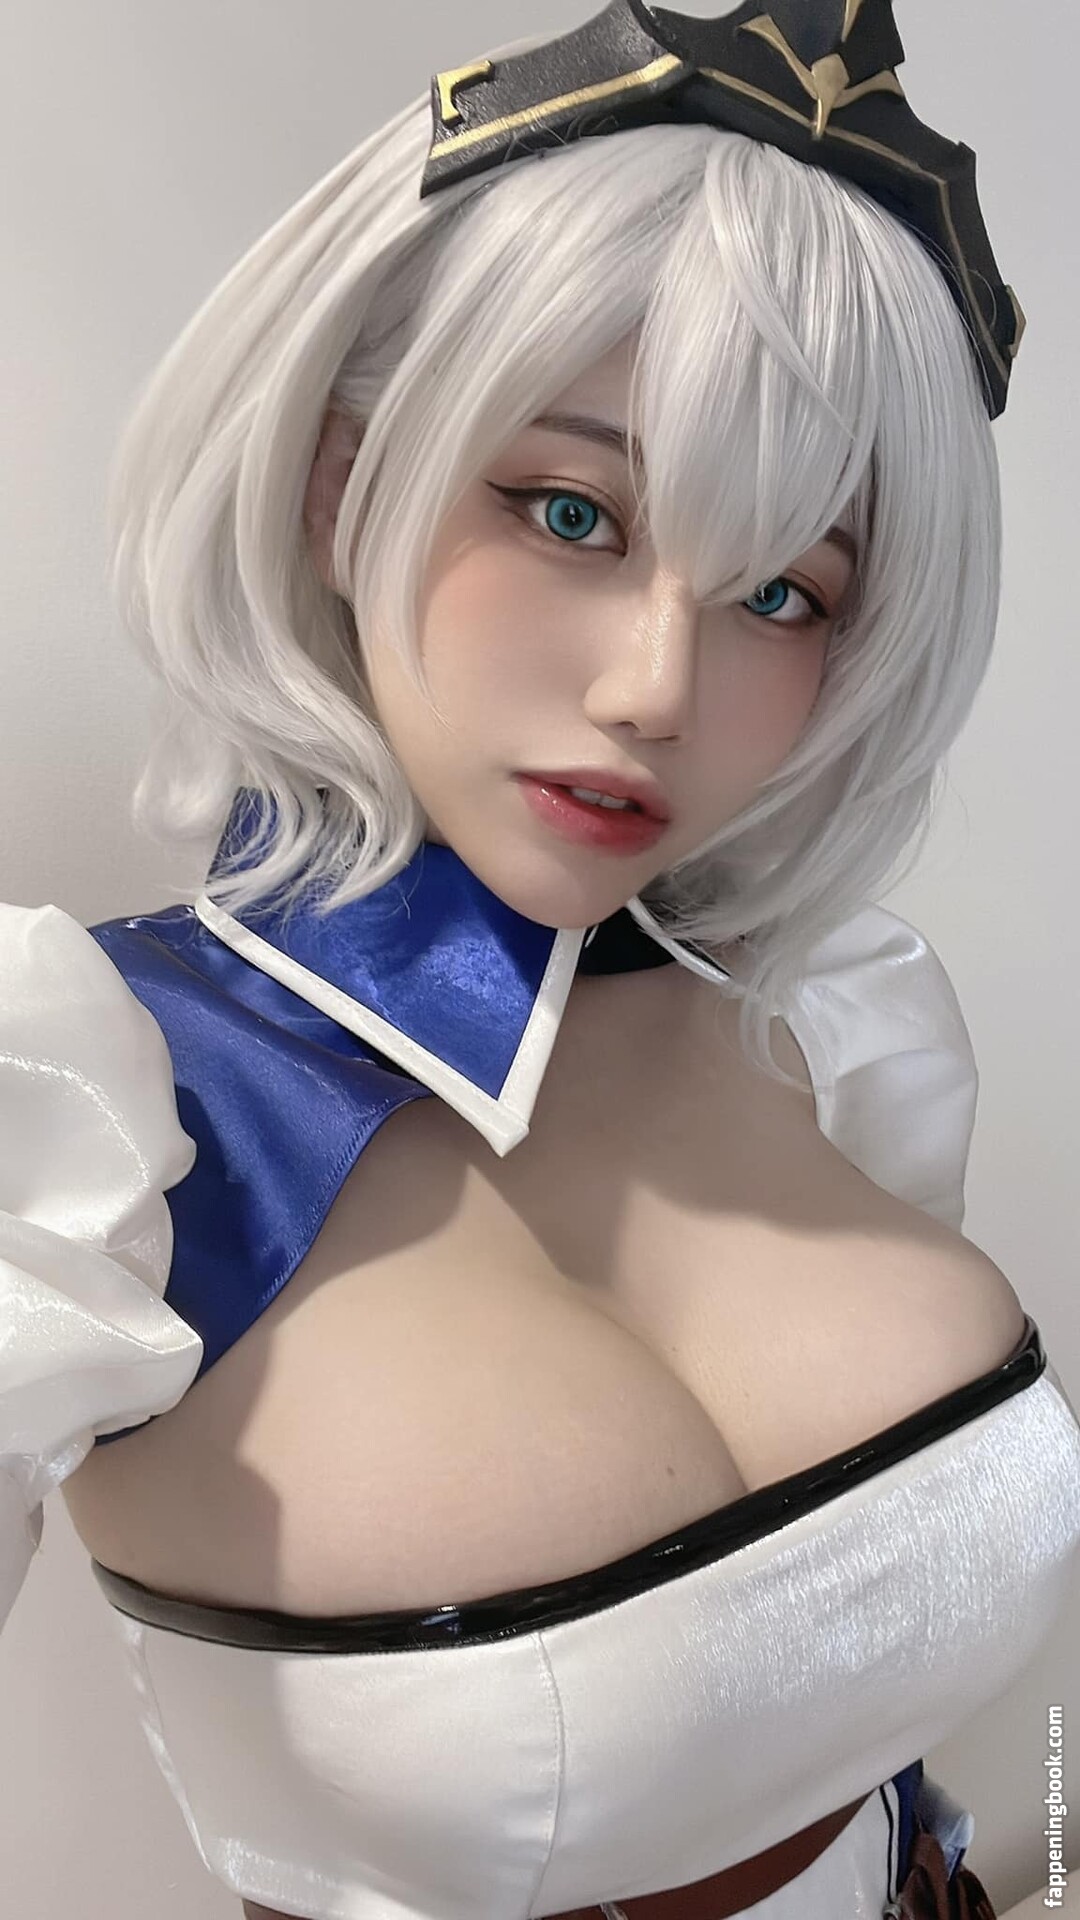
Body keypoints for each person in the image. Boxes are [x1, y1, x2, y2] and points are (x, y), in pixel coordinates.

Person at [3, 3, 1079, 1916]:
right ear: (343, 483)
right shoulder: (86, 1110)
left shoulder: (833, 1018)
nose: (659, 688)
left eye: (782, 591)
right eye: (569, 512)